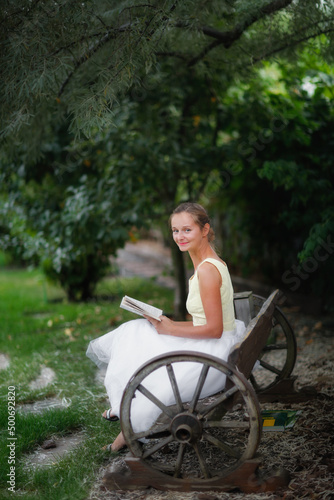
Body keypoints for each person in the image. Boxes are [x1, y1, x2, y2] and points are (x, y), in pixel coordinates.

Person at [86, 202, 246, 451]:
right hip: (214, 342)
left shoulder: (207, 271)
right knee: (139, 331)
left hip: (213, 352)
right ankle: (122, 411)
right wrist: (166, 324)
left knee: (139, 341)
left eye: (187, 230)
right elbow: (206, 322)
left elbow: (213, 329)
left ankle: (125, 427)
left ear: (205, 229)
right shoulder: (210, 263)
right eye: (175, 231)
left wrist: (171, 330)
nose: (179, 237)